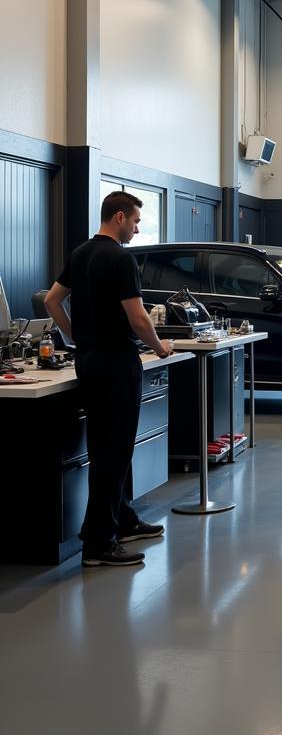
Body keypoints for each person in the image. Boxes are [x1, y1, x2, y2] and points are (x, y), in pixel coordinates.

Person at [44, 191, 173, 567]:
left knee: (107, 447)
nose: (137, 228)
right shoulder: (120, 259)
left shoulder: (80, 253)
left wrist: (74, 337)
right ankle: (99, 543)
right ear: (119, 217)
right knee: (113, 453)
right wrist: (159, 347)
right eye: (135, 221)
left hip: (89, 360)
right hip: (117, 363)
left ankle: (123, 518)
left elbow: (52, 301)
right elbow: (138, 318)